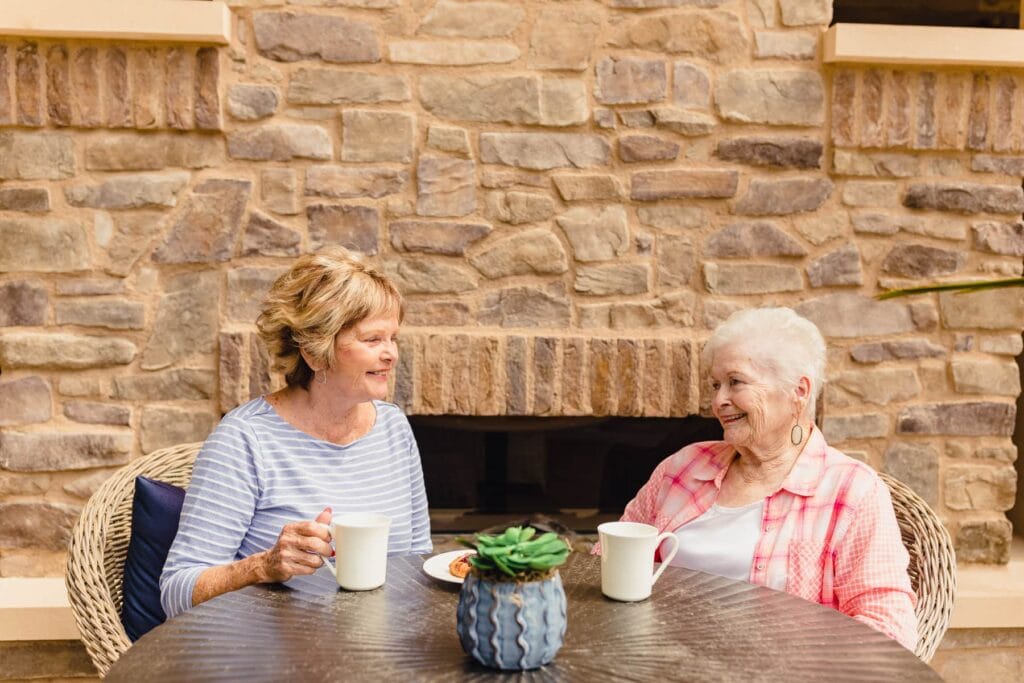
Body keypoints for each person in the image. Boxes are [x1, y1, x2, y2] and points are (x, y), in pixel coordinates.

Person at [610, 307, 917, 650]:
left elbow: (888, 628)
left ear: (798, 391)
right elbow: (606, 560)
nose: (718, 401)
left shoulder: (851, 492)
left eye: (735, 382)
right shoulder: (682, 468)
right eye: (715, 385)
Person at [160, 247, 431, 618]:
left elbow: (418, 561)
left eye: (393, 338)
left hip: (380, 650)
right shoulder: (245, 439)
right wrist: (262, 566)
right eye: (372, 340)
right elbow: (177, 591)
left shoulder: (394, 428)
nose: (391, 354)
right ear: (315, 353)